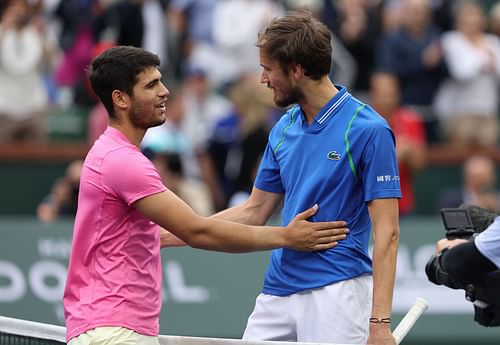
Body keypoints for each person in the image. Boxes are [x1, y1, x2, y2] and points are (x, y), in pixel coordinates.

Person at [62, 45, 350, 345]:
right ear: (120, 99)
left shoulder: (109, 153)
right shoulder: (124, 162)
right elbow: (197, 230)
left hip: (107, 326)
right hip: (114, 331)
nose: (165, 92)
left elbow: (179, 229)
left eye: (161, 81)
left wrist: (162, 237)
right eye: (151, 85)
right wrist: (287, 237)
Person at [214, 10, 401, 345]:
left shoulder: (369, 130)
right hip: (278, 289)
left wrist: (380, 324)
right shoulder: (283, 127)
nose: (262, 79)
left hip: (338, 291)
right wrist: (179, 231)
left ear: (296, 70)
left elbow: (387, 233)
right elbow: (253, 211)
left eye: (268, 69)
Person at [369, 72, 427, 215]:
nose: (387, 99)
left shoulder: (410, 120)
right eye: (383, 94)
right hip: (369, 203)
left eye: (391, 94)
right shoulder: (363, 121)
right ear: (373, 94)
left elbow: (420, 164)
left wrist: (408, 151)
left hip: (402, 203)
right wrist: (395, 154)